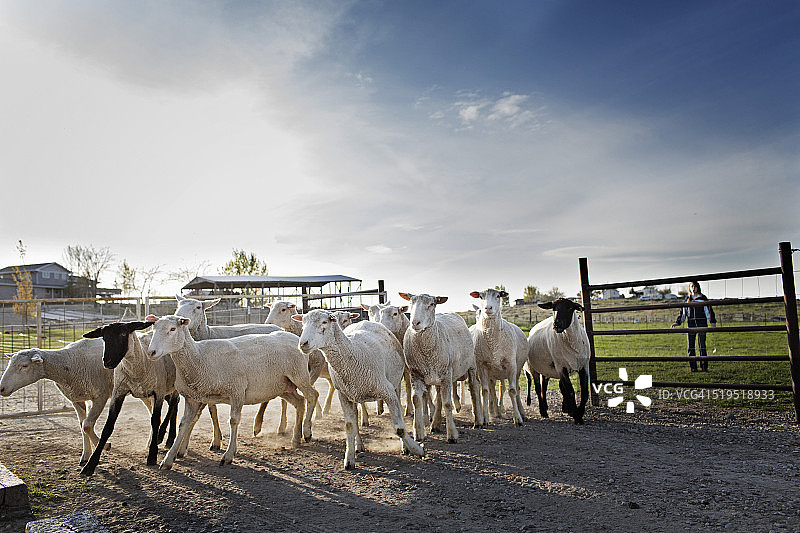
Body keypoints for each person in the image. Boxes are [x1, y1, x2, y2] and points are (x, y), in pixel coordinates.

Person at [671, 281, 716, 371]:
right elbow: (683, 313)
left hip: (702, 325)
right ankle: (693, 368)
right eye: (692, 286)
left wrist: (712, 321)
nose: (693, 288)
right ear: (690, 288)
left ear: (698, 287)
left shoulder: (703, 299)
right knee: (691, 347)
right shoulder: (687, 299)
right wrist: (678, 322)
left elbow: (709, 311)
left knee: (702, 346)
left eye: (695, 286)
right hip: (690, 325)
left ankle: (704, 367)